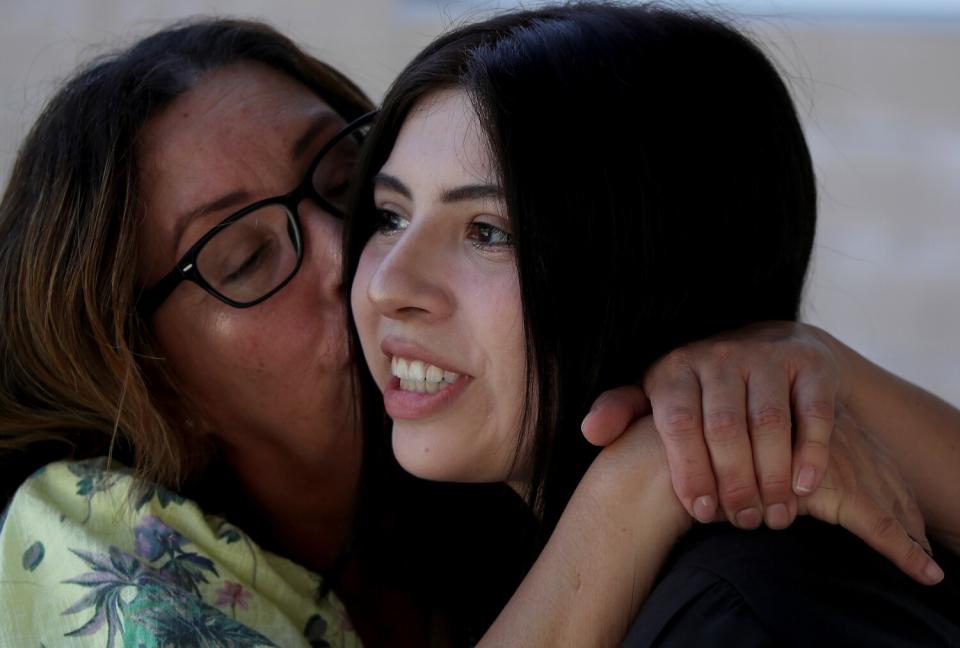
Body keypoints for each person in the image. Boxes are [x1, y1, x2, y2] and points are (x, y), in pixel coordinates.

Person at [0, 12, 952, 648]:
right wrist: (638, 479)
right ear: (146, 376)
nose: (367, 274)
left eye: (350, 191)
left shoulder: (734, 598)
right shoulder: (93, 542)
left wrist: (812, 367)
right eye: (247, 260)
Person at [345, 3, 960, 645]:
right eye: (390, 216)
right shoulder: (500, 557)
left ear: (656, 271)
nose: (389, 285)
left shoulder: (744, 622)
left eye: (489, 231)